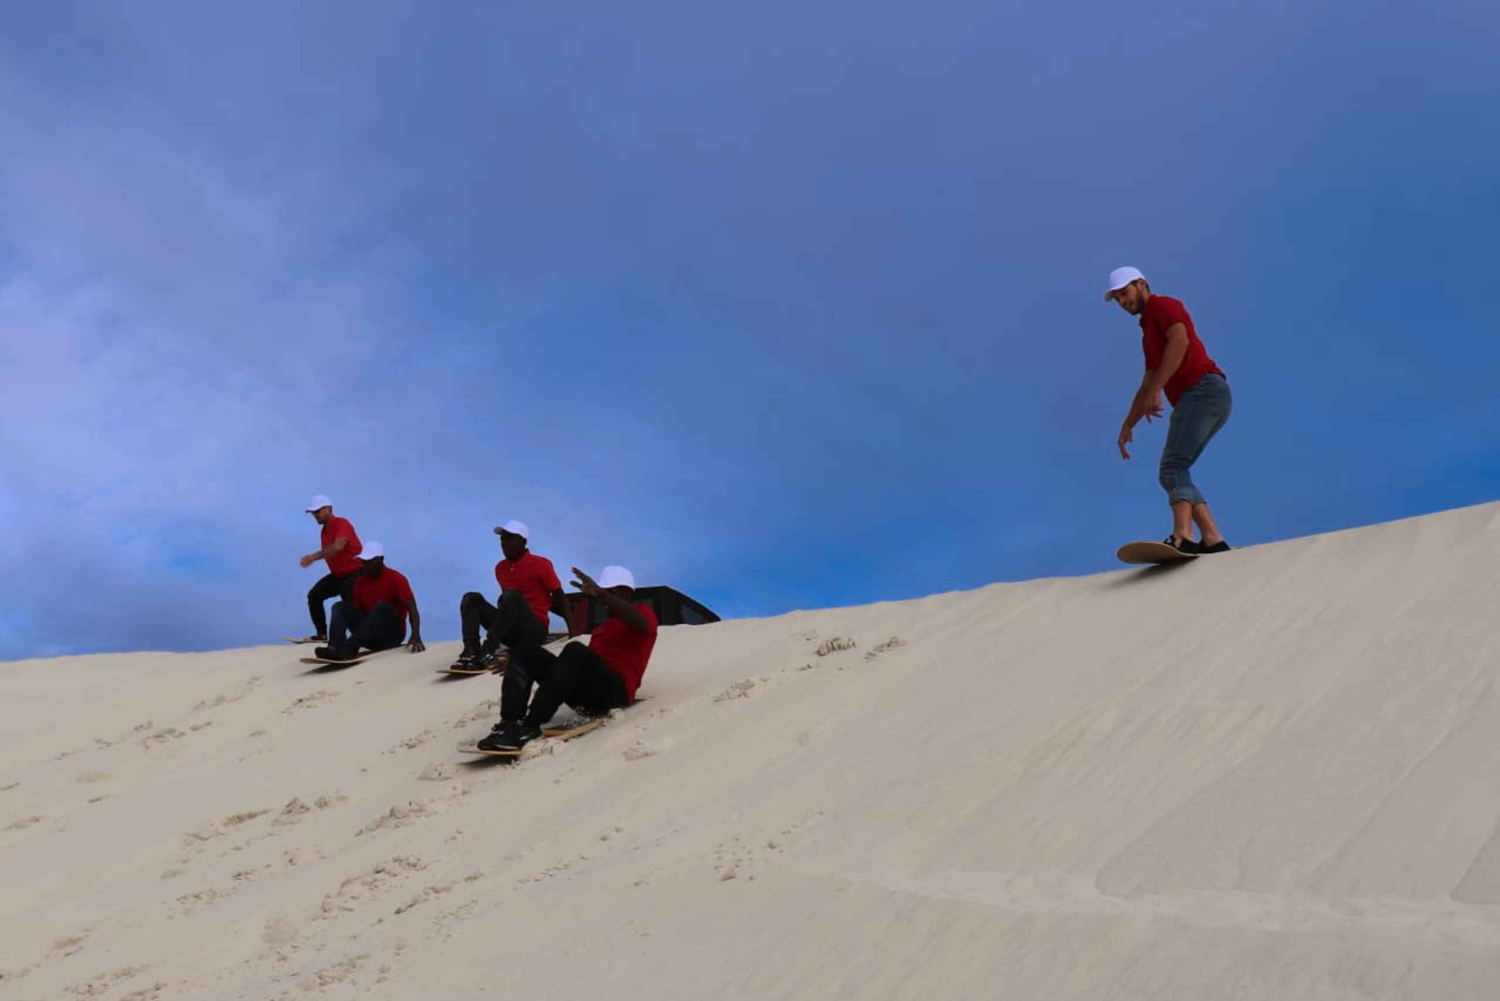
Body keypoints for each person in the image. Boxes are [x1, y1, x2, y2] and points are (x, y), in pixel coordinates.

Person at [1107, 266, 1233, 554]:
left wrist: (1156, 390)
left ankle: (1183, 535)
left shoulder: (1163, 306)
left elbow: (1180, 341)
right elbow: (1148, 381)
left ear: (1141, 284)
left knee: (1172, 466)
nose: (1123, 302)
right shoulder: (1147, 331)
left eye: (1124, 293)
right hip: (1208, 396)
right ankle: (1213, 538)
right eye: (1117, 299)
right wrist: (1128, 425)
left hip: (1202, 390)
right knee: (1178, 469)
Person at [477, 565, 656, 751]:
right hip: (588, 693)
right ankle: (509, 723)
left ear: (627, 592)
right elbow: (572, 668)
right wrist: (522, 662)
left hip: (615, 693)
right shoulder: (601, 629)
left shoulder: (643, 613)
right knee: (524, 650)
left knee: (574, 650)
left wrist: (601, 594)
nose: (602, 598)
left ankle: (530, 725)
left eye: (612, 592)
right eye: (602, 592)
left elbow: (640, 624)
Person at [452, 520, 575, 672]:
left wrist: (573, 630)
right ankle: (471, 650)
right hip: (509, 632)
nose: (504, 543)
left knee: (511, 596)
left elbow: (559, 595)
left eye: (510, 538)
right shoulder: (500, 568)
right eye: (502, 539)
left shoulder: (541, 564)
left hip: (534, 630)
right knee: (471, 598)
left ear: (523, 541)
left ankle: (488, 650)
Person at [316, 542, 426, 661]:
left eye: (369, 561)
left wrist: (416, 634)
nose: (365, 565)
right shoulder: (361, 582)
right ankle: (335, 647)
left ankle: (348, 649)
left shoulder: (396, 578)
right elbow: (358, 614)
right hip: (370, 637)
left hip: (391, 636)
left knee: (381, 607)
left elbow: (412, 609)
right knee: (339, 606)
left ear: (380, 560)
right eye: (363, 561)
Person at [296, 495, 363, 642]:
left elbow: (338, 547)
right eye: (313, 512)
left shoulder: (342, 524)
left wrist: (313, 557)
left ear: (329, 509)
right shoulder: (324, 532)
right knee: (314, 595)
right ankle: (322, 635)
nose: (315, 515)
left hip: (357, 572)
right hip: (338, 576)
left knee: (347, 594)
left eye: (318, 511)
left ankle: (356, 637)